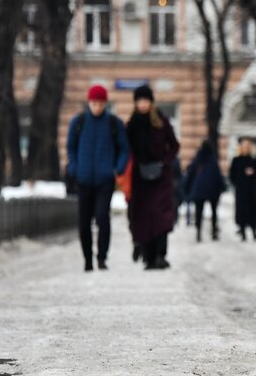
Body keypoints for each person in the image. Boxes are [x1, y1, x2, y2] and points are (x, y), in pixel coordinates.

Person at [66, 84, 129, 271]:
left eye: (101, 103)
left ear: (105, 103)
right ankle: (87, 259)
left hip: (105, 180)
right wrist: (76, 168)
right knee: (84, 221)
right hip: (83, 179)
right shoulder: (78, 122)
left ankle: (102, 257)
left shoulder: (113, 123)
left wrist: (117, 168)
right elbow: (71, 147)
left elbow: (124, 148)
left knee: (102, 218)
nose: (97, 106)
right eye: (94, 103)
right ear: (89, 102)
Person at [125, 85, 180, 269]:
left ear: (151, 102)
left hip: (160, 177)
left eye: (145, 100)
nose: (142, 104)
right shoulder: (132, 124)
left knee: (161, 216)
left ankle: (160, 255)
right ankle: (148, 257)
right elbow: (126, 149)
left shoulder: (161, 122)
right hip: (139, 178)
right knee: (142, 216)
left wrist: (165, 163)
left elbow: (174, 145)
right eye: (139, 101)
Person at [184, 139, 227, 241]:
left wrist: (187, 187)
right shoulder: (213, 159)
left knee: (199, 212)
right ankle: (214, 232)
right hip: (212, 189)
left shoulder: (198, 158)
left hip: (199, 189)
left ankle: (198, 232)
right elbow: (218, 175)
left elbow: (190, 174)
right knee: (214, 211)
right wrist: (222, 187)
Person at [229, 137, 256, 241]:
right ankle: (243, 232)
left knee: (253, 212)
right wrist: (237, 182)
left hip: (252, 190)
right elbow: (232, 175)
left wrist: (253, 173)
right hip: (241, 190)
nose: (245, 149)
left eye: (247, 147)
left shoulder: (254, 159)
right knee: (242, 212)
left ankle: (254, 231)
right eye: (244, 147)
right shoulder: (236, 160)